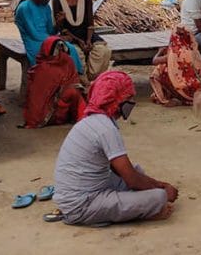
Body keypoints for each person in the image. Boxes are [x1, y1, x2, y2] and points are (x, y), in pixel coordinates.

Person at [53, 70, 178, 225]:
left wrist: (158, 184)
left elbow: (121, 170)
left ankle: (139, 203)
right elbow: (132, 180)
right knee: (158, 197)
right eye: (128, 99)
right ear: (116, 100)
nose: (131, 103)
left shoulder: (93, 120)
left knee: (137, 171)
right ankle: (145, 210)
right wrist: (163, 190)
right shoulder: (106, 129)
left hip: (81, 193)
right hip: (81, 205)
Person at [52, 0, 113, 83]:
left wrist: (88, 40)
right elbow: (61, 28)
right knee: (76, 53)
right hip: (69, 36)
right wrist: (79, 41)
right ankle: (82, 82)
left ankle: (91, 77)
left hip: (87, 35)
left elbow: (90, 23)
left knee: (103, 51)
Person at [14, 0, 83, 76]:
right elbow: (34, 34)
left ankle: (74, 77)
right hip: (34, 43)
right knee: (58, 52)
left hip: (48, 39)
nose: (47, 0)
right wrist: (58, 38)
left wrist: (59, 23)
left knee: (70, 48)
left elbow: (51, 31)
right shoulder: (24, 8)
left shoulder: (46, 7)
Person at [22, 36, 85, 129]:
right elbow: (37, 98)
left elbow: (74, 79)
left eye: (61, 48)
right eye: (57, 49)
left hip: (63, 105)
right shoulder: (43, 69)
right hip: (50, 110)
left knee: (76, 91)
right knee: (73, 91)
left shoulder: (68, 61)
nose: (59, 52)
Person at [150, 27, 201, 106]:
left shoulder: (174, 53)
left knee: (160, 68)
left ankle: (171, 96)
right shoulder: (194, 52)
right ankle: (186, 98)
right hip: (194, 89)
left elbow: (154, 61)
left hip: (180, 89)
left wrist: (159, 51)